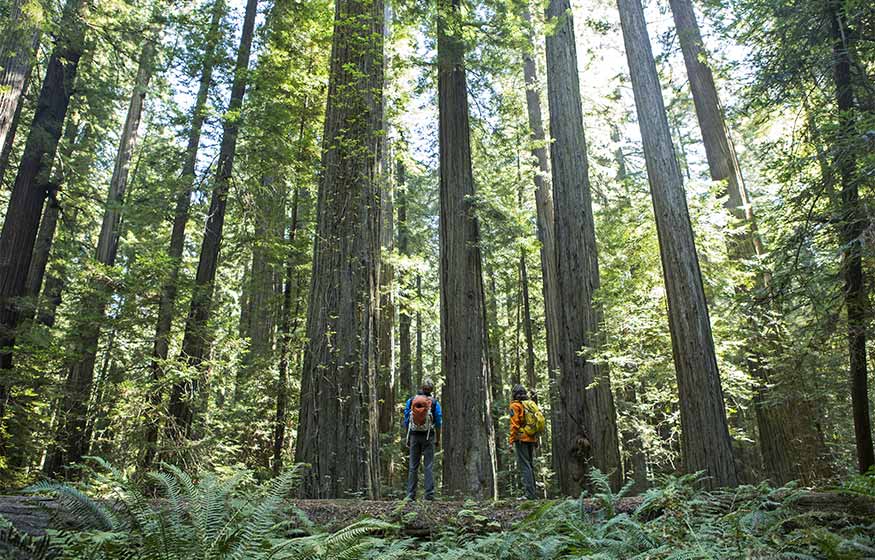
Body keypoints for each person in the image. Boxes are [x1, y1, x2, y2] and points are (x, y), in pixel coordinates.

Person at [403, 378, 442, 500]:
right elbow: (439, 421)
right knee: (428, 466)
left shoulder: (412, 400)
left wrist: (408, 437)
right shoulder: (434, 403)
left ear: (421, 387)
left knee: (413, 466)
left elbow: (406, 419)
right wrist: (438, 439)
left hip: (414, 435)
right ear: (431, 390)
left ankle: (410, 495)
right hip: (428, 436)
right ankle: (429, 495)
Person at [509, 384, 539, 500]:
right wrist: (535, 439)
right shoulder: (529, 405)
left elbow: (514, 425)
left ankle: (530, 495)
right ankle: (533, 494)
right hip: (531, 437)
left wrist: (511, 441)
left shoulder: (515, 406)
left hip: (521, 439)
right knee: (530, 465)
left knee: (525, 466)